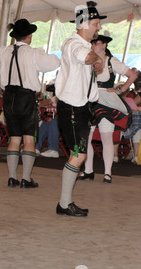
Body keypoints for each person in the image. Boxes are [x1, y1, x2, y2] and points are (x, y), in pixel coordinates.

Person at [0, 18, 60, 189]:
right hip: (26, 97)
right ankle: (26, 178)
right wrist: (40, 52)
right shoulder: (33, 53)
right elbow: (54, 62)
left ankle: (12, 178)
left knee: (14, 138)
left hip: (9, 97)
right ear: (29, 36)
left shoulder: (3, 52)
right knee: (28, 139)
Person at [54, 1, 106, 217]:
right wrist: (96, 58)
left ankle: (64, 203)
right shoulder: (73, 44)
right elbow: (84, 57)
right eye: (95, 23)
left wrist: (96, 60)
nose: (99, 28)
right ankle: (64, 203)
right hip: (73, 109)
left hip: (80, 108)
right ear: (84, 23)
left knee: (80, 154)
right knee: (78, 155)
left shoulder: (82, 45)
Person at [77, 31, 138, 183]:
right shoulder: (86, 61)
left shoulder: (112, 61)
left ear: (104, 45)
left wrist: (120, 90)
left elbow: (133, 75)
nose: (94, 45)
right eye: (93, 42)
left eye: (97, 43)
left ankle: (107, 173)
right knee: (87, 137)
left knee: (106, 137)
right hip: (90, 99)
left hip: (107, 102)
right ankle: (88, 170)